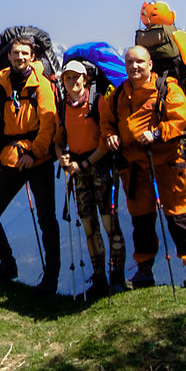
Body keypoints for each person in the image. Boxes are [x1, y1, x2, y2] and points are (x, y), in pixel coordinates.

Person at [100, 45, 186, 288]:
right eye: (129, 63)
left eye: (139, 62)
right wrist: (110, 135)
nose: (134, 67)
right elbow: (107, 122)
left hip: (167, 164)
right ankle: (144, 269)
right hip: (135, 168)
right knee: (142, 220)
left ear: (150, 65)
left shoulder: (167, 90)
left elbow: (182, 118)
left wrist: (157, 134)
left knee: (179, 216)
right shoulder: (118, 95)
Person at [0, 36, 61, 291]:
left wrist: (33, 154)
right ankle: (8, 264)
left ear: (32, 56)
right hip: (11, 158)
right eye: (16, 54)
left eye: (24, 53)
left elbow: (49, 125)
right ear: (9, 56)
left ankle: (51, 278)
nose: (20, 58)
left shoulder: (42, 85)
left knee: (47, 220)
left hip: (39, 159)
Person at [56, 60, 127, 296]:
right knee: (88, 225)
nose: (72, 81)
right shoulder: (63, 106)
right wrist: (62, 157)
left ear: (85, 79)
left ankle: (116, 277)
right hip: (78, 171)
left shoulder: (98, 101)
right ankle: (99, 279)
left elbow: (106, 140)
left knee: (109, 224)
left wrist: (83, 163)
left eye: (77, 77)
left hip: (100, 169)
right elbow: (59, 139)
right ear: (63, 81)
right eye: (68, 78)